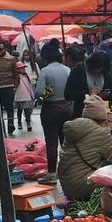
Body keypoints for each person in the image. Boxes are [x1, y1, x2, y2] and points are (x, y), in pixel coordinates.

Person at [58, 94, 112, 202]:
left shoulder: (74, 129)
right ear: (102, 117)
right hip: (84, 186)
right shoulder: (100, 132)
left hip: (67, 186)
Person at [36, 42, 72, 185]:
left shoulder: (45, 71)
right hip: (67, 108)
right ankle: (68, 171)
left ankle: (51, 174)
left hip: (50, 109)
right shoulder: (67, 70)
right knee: (66, 143)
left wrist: (50, 93)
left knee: (51, 143)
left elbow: (39, 92)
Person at [65, 51, 112, 118]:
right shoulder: (78, 71)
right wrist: (88, 94)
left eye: (101, 69)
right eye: (97, 68)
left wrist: (106, 94)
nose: (99, 71)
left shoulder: (106, 74)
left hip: (102, 114)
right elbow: (68, 94)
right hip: (82, 114)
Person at [0, 41, 19, 135]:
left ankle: (10, 124)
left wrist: (15, 87)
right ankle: (0, 126)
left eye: (1, 49)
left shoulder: (11, 59)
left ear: (5, 49)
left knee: (9, 107)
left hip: (8, 86)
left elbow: (15, 74)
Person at [14, 61, 35, 131]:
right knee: (19, 110)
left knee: (27, 110)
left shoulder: (27, 76)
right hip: (19, 96)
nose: (23, 69)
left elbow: (30, 86)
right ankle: (19, 122)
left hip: (26, 96)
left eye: (23, 68)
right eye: (21, 68)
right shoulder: (16, 77)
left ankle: (28, 123)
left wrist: (32, 95)